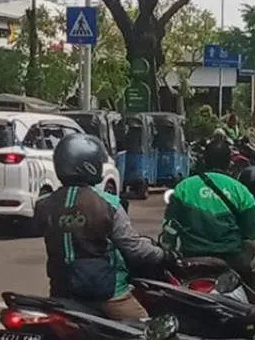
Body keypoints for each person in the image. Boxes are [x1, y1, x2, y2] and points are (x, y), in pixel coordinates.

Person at [35, 133, 167, 320]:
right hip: (107, 294)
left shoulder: (44, 204)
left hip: (61, 293)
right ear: (88, 164)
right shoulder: (108, 203)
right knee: (146, 330)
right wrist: (162, 254)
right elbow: (133, 248)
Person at [160, 137, 255, 276]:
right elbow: (252, 231)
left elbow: (169, 227)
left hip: (190, 258)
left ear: (204, 160)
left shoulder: (183, 188)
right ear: (229, 163)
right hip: (231, 260)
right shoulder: (240, 190)